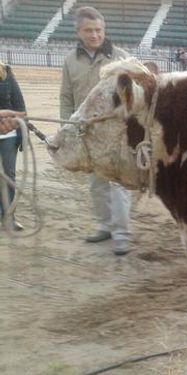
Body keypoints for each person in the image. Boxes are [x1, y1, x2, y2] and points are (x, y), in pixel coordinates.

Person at [60, 6, 132, 256]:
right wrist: (67, 127)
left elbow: (137, 95)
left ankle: (122, 234)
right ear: (79, 31)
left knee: (117, 183)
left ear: (104, 30)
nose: (95, 35)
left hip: (116, 134)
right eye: (89, 31)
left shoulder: (121, 58)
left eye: (99, 30)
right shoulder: (70, 61)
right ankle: (105, 226)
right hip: (86, 135)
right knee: (96, 183)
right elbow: (66, 97)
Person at [0, 61, 26, 231]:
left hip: (8, 135)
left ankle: (9, 216)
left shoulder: (7, 73)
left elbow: (21, 108)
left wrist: (18, 123)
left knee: (8, 174)